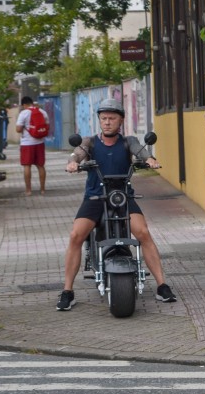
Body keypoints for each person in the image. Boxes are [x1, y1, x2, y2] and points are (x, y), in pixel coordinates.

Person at [56, 99, 177, 311]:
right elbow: (79, 152)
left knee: (143, 233)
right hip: (95, 197)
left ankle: (162, 285)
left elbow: (140, 150)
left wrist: (149, 160)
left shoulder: (127, 141)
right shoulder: (91, 142)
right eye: (103, 118)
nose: (107, 122)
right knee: (76, 235)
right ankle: (67, 291)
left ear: (120, 120)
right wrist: (73, 162)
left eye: (112, 118)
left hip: (123, 198)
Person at [14, 96, 47, 195]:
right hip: (40, 142)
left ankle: (28, 190)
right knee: (41, 166)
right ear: (32, 102)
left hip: (27, 143)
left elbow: (18, 129)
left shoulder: (23, 113)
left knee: (27, 166)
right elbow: (47, 126)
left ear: (24, 105)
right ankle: (42, 190)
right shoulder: (42, 112)